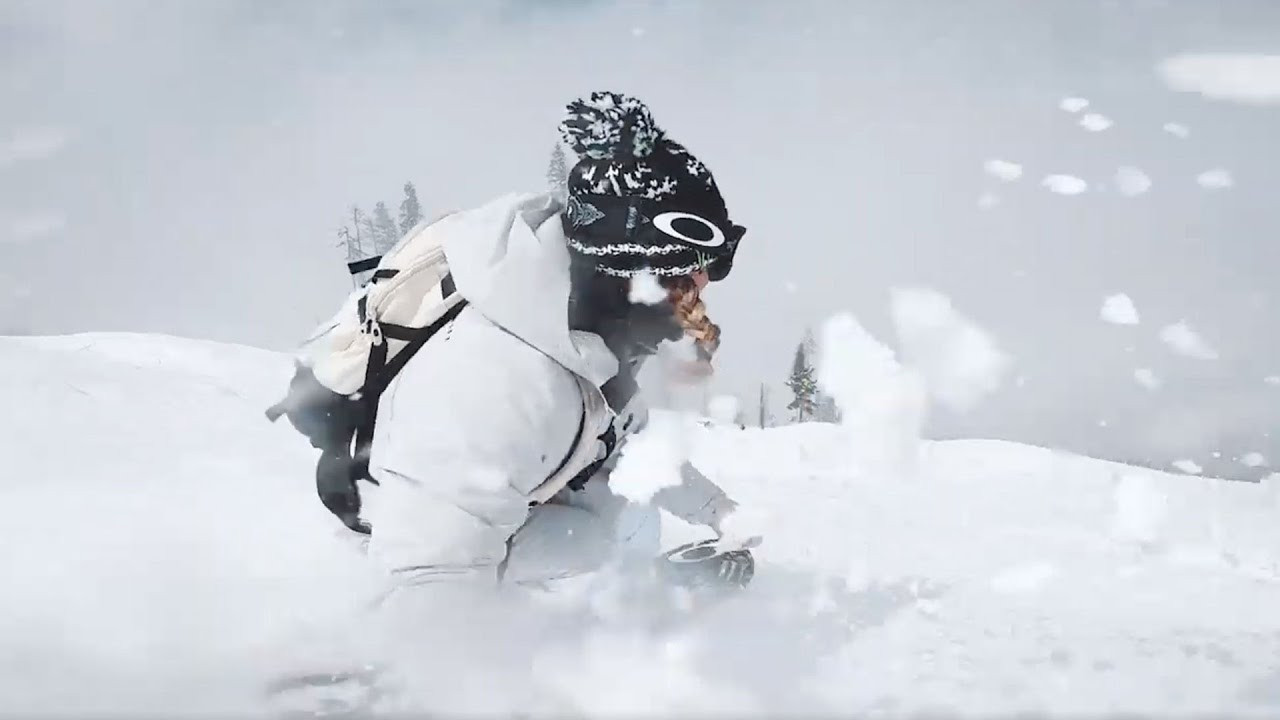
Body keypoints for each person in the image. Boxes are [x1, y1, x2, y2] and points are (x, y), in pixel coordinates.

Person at [357, 91, 754, 599]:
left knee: (625, 515)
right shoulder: (499, 380)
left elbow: (626, 451)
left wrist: (720, 510)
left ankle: (621, 597)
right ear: (639, 262)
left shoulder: (592, 344)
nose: (705, 280)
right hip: (400, 537)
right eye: (697, 260)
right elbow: (424, 575)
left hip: (492, 508)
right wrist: (514, 672)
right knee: (588, 540)